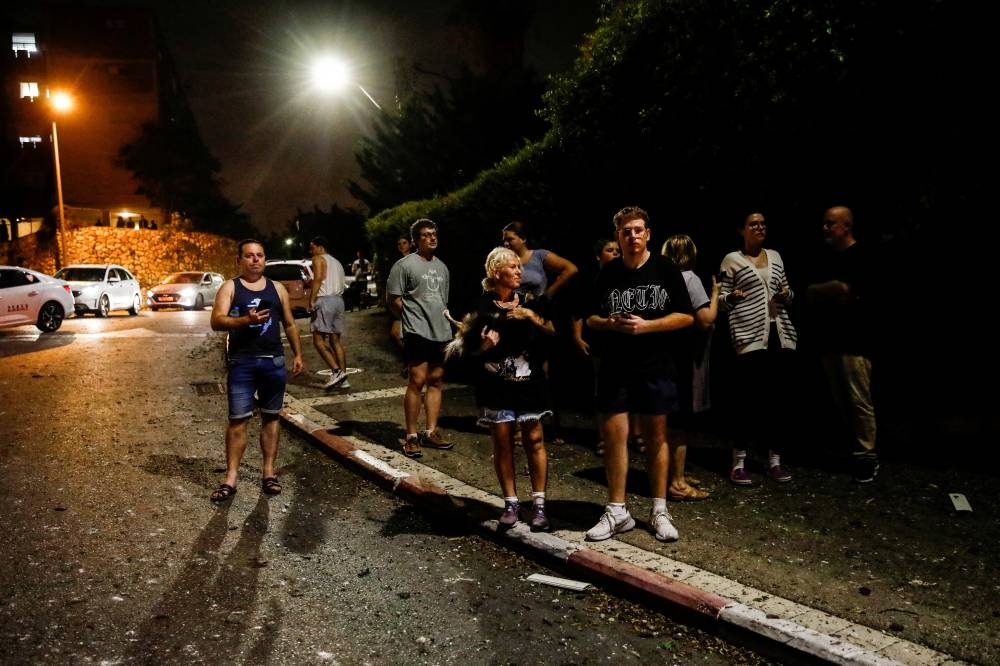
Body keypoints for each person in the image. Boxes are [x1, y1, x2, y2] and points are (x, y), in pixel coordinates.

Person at [584, 206, 694, 543]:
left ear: (648, 234)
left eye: (638, 230)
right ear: (617, 236)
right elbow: (590, 318)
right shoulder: (608, 273)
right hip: (617, 367)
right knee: (615, 437)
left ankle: (659, 509)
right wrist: (610, 323)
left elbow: (686, 317)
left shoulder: (666, 269)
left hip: (656, 365)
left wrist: (647, 326)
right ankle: (617, 510)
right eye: (625, 231)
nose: (632, 236)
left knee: (655, 437)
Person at [446, 247, 556, 530]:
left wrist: (531, 317)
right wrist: (483, 346)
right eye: (513, 267)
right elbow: (466, 352)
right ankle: (511, 503)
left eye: (520, 267)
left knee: (534, 441)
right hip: (495, 384)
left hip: (530, 383)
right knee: (503, 444)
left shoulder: (533, 301)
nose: (520, 271)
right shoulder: (481, 306)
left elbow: (555, 333)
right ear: (497, 273)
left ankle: (540, 506)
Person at [209, 239, 304, 502]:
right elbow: (217, 321)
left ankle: (269, 473)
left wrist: (297, 354)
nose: (255, 260)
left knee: (272, 418)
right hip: (243, 362)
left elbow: (289, 323)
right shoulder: (231, 287)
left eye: (260, 255)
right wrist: (244, 320)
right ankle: (230, 477)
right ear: (239, 260)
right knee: (238, 419)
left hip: (273, 361)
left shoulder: (277, 289)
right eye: (249, 256)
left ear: (265, 259)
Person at [718, 211, 797, 486]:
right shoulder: (732, 260)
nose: (760, 227)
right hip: (748, 336)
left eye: (763, 223)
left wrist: (786, 295)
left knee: (777, 401)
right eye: (754, 224)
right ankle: (739, 462)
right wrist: (732, 296)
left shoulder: (775, 255)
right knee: (746, 401)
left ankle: (774, 460)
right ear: (742, 230)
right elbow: (721, 300)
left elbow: (787, 291)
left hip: (779, 334)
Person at [805, 206, 880, 482]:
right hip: (830, 340)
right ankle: (851, 450)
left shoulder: (862, 256)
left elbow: (847, 292)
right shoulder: (825, 257)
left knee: (858, 399)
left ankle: (866, 455)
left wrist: (830, 289)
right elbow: (812, 292)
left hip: (855, 341)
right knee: (839, 399)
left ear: (845, 226)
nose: (824, 228)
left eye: (830, 224)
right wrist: (831, 288)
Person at [501, 221, 579, 445]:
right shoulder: (505, 261)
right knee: (517, 372)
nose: (507, 242)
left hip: (539, 319)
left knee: (543, 373)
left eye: (511, 238)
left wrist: (548, 294)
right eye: (504, 239)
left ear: (523, 239)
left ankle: (550, 426)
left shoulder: (539, 256)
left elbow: (570, 269)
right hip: (515, 319)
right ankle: (518, 426)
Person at [387, 218, 456, 458]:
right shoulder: (404, 265)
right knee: (417, 380)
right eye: (426, 235)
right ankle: (411, 436)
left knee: (436, 380)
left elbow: (442, 301)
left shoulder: (443, 268)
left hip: (442, 331)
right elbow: (394, 298)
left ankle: (431, 432)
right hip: (417, 330)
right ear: (416, 240)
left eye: (434, 233)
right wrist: (408, 319)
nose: (432, 238)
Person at [661, 234, 721, 501]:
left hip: (662, 355)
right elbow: (706, 319)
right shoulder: (689, 278)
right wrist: (716, 295)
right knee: (680, 422)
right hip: (683, 355)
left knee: (667, 420)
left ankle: (672, 474)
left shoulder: (659, 278)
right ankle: (677, 483)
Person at [308, 236, 349, 389]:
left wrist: (312, 299)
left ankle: (336, 371)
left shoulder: (318, 258)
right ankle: (343, 379)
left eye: (312, 247)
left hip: (325, 300)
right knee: (335, 340)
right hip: (338, 301)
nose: (311, 251)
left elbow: (318, 278)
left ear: (320, 247)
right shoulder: (336, 262)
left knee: (318, 340)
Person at [388, 235, 411, 375]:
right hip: (399, 303)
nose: (401, 245)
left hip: (411, 303)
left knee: (406, 334)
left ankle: (412, 363)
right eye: (399, 243)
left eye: (404, 242)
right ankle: (411, 361)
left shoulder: (414, 259)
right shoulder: (398, 262)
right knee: (395, 333)